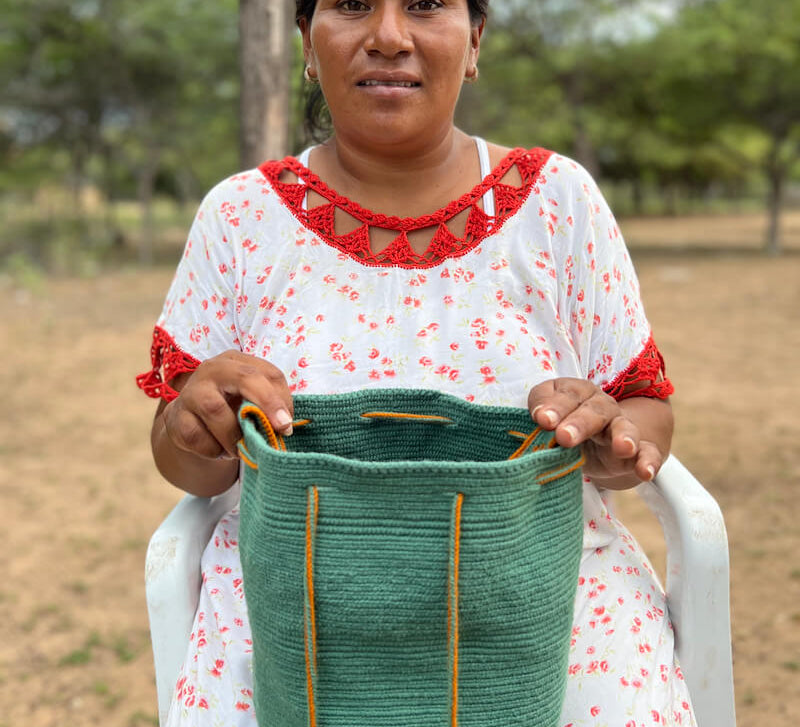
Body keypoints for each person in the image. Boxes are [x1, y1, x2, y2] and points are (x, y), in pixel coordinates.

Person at [137, 1, 695, 724]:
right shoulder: (240, 218)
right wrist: (195, 422)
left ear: (474, 41)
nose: (390, 36)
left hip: (547, 595)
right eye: (352, 5)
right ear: (307, 42)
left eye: (427, 4)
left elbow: (644, 407)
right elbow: (180, 450)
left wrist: (610, 437)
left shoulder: (559, 201)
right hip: (291, 608)